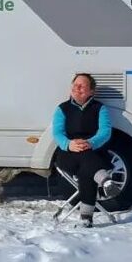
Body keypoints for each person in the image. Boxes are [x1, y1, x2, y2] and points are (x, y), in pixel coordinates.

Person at [52, 73, 113, 226]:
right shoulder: (62, 109)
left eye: (82, 86)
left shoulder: (100, 108)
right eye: (75, 85)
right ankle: (104, 180)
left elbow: (105, 131)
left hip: (94, 151)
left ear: (92, 91)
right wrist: (69, 144)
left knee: (86, 168)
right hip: (68, 154)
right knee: (89, 164)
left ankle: (86, 218)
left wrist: (91, 143)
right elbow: (57, 133)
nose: (77, 88)